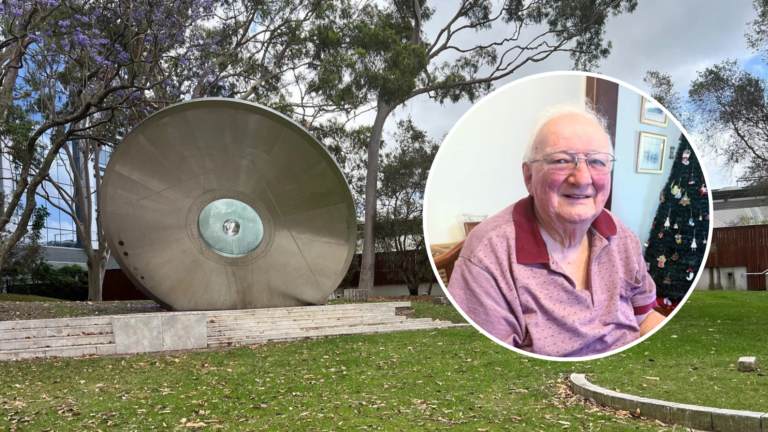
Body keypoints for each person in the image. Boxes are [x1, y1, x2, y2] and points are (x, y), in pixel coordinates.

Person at [448, 104, 666, 358]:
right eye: (561, 160)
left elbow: (645, 317)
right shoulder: (487, 256)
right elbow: (490, 363)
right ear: (529, 177)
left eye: (596, 161)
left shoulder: (622, 236)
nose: (582, 178)